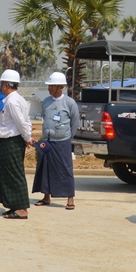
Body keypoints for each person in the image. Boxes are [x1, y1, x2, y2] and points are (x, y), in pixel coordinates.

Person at [32, 72, 79, 210]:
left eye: (52, 86)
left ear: (61, 87)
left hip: (62, 141)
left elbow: (75, 123)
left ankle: (70, 198)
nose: (50, 88)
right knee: (45, 168)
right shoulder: (46, 101)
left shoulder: (70, 103)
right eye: (49, 85)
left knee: (65, 169)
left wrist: (67, 137)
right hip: (47, 141)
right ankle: (46, 196)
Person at [0, 69, 32, 219]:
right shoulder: (17, 99)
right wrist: (27, 136)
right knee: (8, 175)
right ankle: (14, 205)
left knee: (15, 174)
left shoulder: (12, 101)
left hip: (12, 142)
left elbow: (21, 122)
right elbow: (26, 121)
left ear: (6, 85)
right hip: (9, 141)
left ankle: (22, 208)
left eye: (1, 84)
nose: (0, 86)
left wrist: (27, 137)